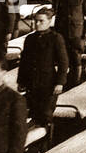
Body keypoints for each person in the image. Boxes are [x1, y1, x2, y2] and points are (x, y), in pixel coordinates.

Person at [17, 9, 68, 139]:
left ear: (49, 21)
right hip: (32, 83)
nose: (37, 24)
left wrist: (60, 83)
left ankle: (47, 142)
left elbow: (63, 63)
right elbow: (24, 62)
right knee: (34, 113)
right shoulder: (29, 39)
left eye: (41, 21)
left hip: (48, 84)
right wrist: (21, 81)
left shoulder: (56, 38)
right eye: (36, 21)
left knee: (46, 115)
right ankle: (34, 142)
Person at [53, 0, 86, 88]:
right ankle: (65, 81)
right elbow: (58, 16)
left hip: (77, 31)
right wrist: (56, 32)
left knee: (76, 57)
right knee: (63, 57)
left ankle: (76, 82)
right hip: (63, 31)